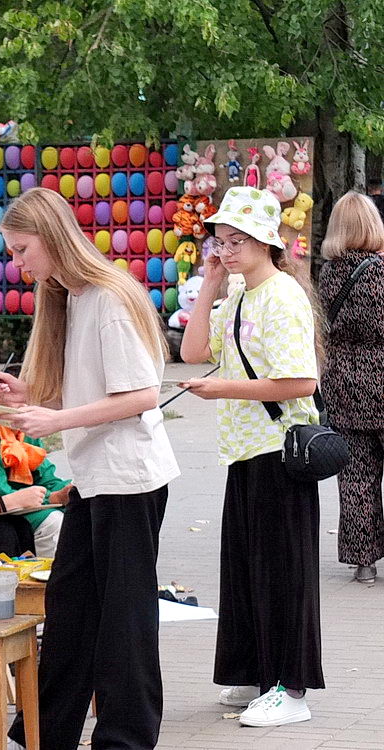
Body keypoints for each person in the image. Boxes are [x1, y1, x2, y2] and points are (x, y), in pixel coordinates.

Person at [0, 188, 179, 750]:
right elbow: (95, 388)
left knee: (123, 618)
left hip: (128, 478)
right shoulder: (72, 297)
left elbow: (142, 393)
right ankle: (44, 733)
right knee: (71, 609)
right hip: (97, 478)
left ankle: (124, 738)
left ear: (52, 238)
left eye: (22, 249)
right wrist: (33, 395)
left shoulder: (108, 297)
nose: (17, 264)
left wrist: (57, 416)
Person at [180, 186, 324, 727]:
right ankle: (255, 673)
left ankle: (290, 688)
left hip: (280, 452)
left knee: (283, 573)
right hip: (242, 451)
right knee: (245, 569)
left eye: (236, 240)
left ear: (266, 241)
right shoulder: (239, 294)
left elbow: (300, 381)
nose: (227, 249)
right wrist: (210, 284)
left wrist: (223, 390)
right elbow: (193, 351)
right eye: (220, 240)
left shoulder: (282, 295)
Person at [317, 191, 384, 584]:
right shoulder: (380, 272)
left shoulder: (329, 273)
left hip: (343, 382)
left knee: (356, 477)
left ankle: (364, 564)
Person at [0, 384, 70, 560]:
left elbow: (46, 475)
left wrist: (66, 491)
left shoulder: (27, 432)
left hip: (19, 504)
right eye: (11, 393)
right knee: (52, 523)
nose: (23, 405)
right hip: (7, 508)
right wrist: (50, 498)